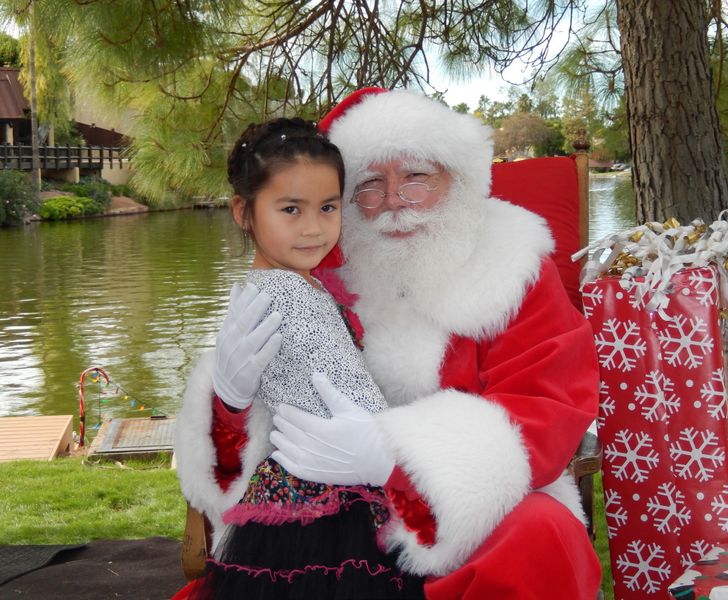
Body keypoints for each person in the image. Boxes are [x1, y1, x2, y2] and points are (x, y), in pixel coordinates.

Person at [176, 88, 601, 599]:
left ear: (458, 178)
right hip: (325, 519)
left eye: (417, 176)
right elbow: (253, 438)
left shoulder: (512, 270)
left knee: (540, 534)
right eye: (370, 184)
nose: (394, 201)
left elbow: (546, 406)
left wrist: (395, 457)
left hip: (465, 513)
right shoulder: (315, 267)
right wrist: (228, 401)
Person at [176, 117, 424, 598]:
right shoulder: (293, 295)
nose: (314, 229)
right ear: (243, 212)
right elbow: (349, 390)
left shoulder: (268, 285)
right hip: (329, 501)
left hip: (291, 491)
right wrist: (401, 456)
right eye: (291, 209)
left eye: (328, 207)